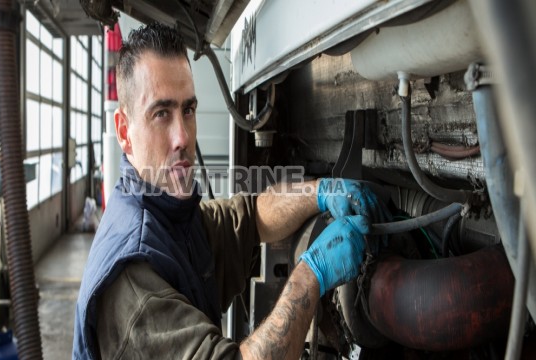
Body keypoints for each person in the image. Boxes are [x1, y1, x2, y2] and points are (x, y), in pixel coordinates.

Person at [73, 22, 386, 360]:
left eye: (188, 110)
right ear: (124, 130)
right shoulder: (133, 289)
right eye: (161, 113)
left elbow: (249, 217)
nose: (182, 137)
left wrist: (321, 192)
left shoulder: (166, 216)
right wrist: (311, 275)